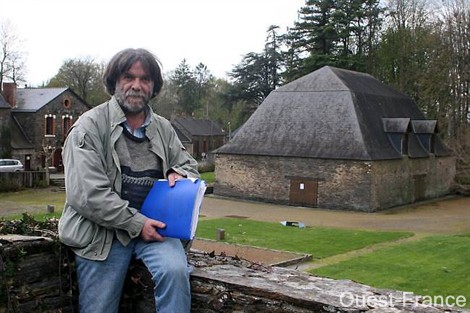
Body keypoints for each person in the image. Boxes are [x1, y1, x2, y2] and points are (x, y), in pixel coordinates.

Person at [58, 48, 199, 313]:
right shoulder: (88, 127)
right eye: (128, 77)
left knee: (176, 272)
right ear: (114, 82)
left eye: (145, 79)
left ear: (153, 86)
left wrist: (180, 174)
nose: (137, 85)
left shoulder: (163, 128)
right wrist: (136, 223)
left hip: (155, 230)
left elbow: (189, 167)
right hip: (102, 234)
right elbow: (88, 195)